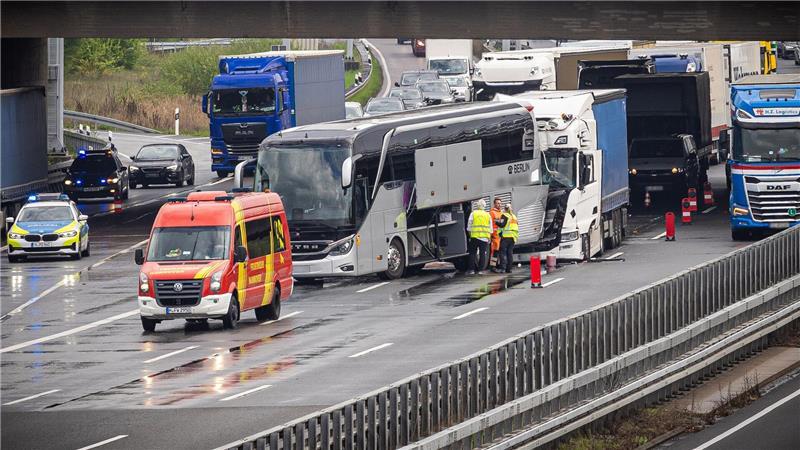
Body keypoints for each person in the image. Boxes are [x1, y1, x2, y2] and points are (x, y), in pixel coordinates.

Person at [466, 199, 492, 274]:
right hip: (484, 238)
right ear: (484, 206)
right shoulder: (487, 215)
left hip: (474, 237)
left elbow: (469, 225)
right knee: (482, 254)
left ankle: (471, 270)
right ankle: (480, 270)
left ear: (477, 205)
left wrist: (470, 235)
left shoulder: (473, 213)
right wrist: (489, 237)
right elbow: (490, 228)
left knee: (472, 253)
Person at [495, 203, 519, 273]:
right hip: (513, 237)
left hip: (506, 236)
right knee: (510, 253)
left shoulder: (504, 215)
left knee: (502, 253)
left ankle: (503, 268)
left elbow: (502, 225)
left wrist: (496, 222)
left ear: (505, 209)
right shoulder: (514, 217)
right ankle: (509, 269)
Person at [489, 197, 504, 269]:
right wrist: (491, 235)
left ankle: (498, 265)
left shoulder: (501, 213)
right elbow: (490, 224)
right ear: (494, 204)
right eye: (498, 203)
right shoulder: (492, 213)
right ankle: (492, 266)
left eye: (500, 203)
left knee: (499, 251)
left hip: (501, 235)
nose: (499, 205)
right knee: (494, 251)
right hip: (495, 235)